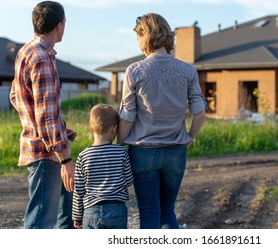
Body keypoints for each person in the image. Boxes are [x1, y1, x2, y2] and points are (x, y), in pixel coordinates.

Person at [118, 13, 206, 229]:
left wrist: (119, 145)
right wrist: (190, 137)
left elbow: (127, 115)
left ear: (143, 34)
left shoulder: (135, 71)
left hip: (143, 152)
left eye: (137, 37)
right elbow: (200, 112)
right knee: (167, 211)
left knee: (149, 214)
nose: (137, 43)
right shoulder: (188, 70)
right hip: (176, 151)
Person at [9, 1, 76, 229]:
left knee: (49, 219)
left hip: (39, 145)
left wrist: (60, 131)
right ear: (59, 26)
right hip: (46, 152)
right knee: (40, 223)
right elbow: (46, 115)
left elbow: (16, 97)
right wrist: (65, 158)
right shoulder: (42, 58)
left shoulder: (25, 51)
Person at [72, 104, 133, 229]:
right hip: (117, 209)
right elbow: (129, 180)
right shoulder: (121, 152)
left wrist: (77, 216)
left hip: (90, 211)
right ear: (115, 129)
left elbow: (78, 191)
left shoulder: (83, 156)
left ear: (90, 128)